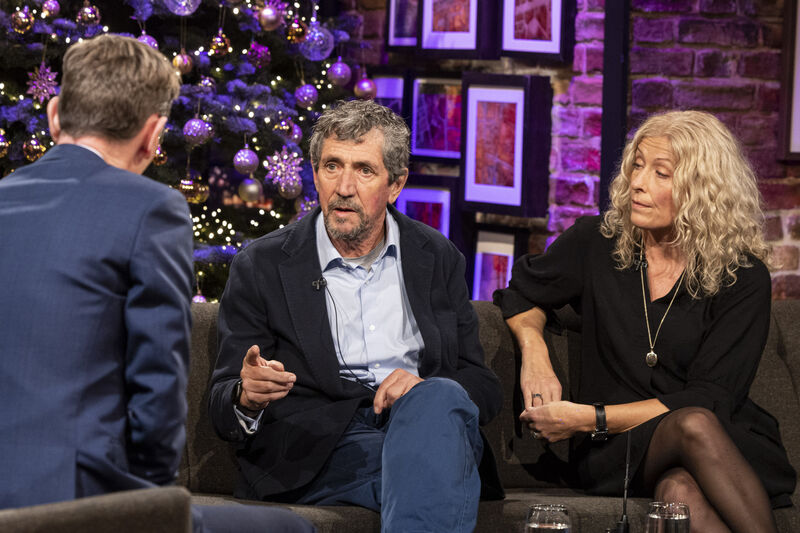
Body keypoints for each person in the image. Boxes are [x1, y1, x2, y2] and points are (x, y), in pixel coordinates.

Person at [0, 34, 312, 533]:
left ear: (54, 114)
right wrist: (153, 509)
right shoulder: (152, 209)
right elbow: (157, 389)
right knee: (292, 530)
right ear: (153, 135)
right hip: (73, 503)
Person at [208, 99, 504, 532]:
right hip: (319, 445)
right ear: (314, 173)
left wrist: (424, 388)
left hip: (424, 425)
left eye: (364, 170)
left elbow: (482, 384)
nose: (343, 187)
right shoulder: (263, 264)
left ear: (396, 183)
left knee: (438, 404)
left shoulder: (436, 257)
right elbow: (221, 403)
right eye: (332, 166)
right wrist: (245, 395)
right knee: (436, 472)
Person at [494, 110, 796, 533]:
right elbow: (521, 290)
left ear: (702, 191)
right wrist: (535, 351)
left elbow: (711, 398)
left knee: (679, 492)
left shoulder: (742, 277)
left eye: (661, 174)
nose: (637, 183)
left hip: (718, 442)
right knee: (690, 428)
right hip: (617, 451)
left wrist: (589, 417)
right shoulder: (595, 244)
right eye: (637, 165)